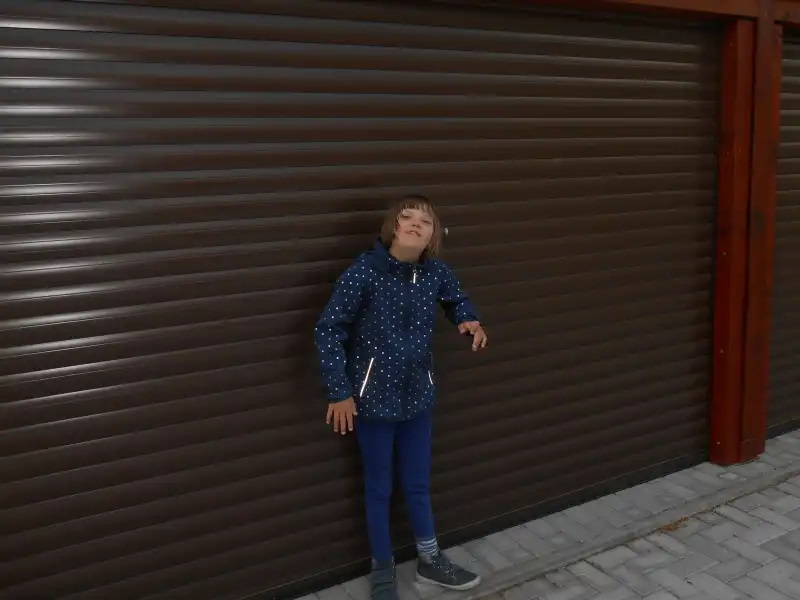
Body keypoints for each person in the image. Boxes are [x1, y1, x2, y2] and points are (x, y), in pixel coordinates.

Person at [314, 194, 488, 600]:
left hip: (417, 397)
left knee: (417, 483)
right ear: (393, 227)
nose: (414, 224)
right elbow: (328, 330)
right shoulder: (363, 273)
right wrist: (339, 392)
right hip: (372, 401)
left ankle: (430, 559)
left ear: (433, 236)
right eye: (406, 217)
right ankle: (382, 569)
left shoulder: (436, 272)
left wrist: (468, 319)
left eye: (424, 222)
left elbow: (456, 299)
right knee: (379, 487)